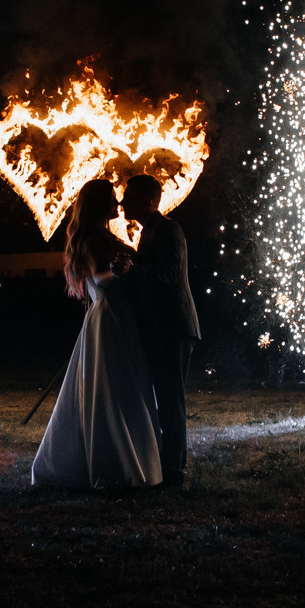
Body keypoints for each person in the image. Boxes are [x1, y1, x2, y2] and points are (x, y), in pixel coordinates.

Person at [30, 179, 163, 490]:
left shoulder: (101, 237)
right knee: (114, 389)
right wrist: (121, 271)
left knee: (124, 387)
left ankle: (133, 459)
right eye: (112, 197)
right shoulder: (94, 241)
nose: (118, 202)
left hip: (117, 317)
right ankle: (117, 464)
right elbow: (100, 280)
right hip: (111, 319)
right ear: (100, 205)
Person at [122, 173, 202, 487]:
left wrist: (132, 269)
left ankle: (175, 473)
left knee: (171, 400)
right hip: (162, 327)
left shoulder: (169, 230)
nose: (122, 201)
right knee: (164, 399)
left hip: (173, 327)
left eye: (128, 196)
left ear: (148, 200)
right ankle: (166, 467)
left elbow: (168, 275)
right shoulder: (148, 232)